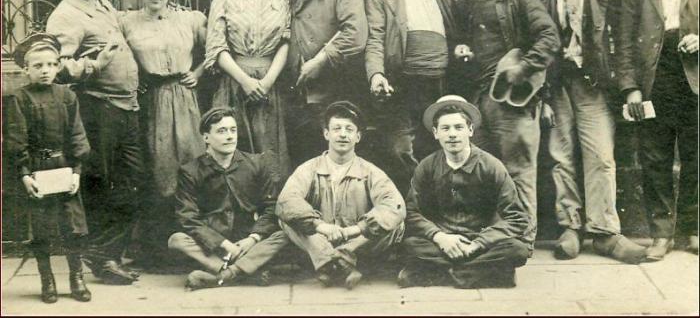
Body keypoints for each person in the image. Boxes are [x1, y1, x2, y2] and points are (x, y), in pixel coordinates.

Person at [538, 0, 648, 263]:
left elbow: (623, 40)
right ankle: (570, 227)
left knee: (601, 155)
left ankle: (603, 232)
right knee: (562, 155)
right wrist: (542, 96)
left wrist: (621, 82)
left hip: (594, 84)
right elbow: (533, 50)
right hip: (556, 86)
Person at [46, 0, 143, 284]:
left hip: (126, 107)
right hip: (98, 110)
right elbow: (56, 68)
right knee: (102, 185)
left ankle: (108, 255)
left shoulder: (101, 4)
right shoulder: (66, 15)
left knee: (133, 182)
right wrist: (95, 65)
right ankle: (102, 260)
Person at [455, 0, 560, 249]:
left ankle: (522, 240)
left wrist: (524, 68)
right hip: (477, 99)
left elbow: (549, 37)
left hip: (512, 100)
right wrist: (462, 50)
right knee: (481, 171)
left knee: (519, 171)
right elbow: (461, 41)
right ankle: (490, 238)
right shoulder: (467, 0)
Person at [618, 0, 699, 259]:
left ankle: (692, 230)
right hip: (654, 80)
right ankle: (661, 234)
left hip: (693, 80)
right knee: (655, 159)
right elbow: (623, 43)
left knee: (696, 157)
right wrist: (631, 89)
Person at [364, 0, 467, 196]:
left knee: (439, 147)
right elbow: (374, 39)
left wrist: (460, 48)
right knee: (400, 150)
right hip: (401, 84)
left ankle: (440, 209)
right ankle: (414, 208)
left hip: (440, 84)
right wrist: (376, 75)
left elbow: (457, 33)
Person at [121, 0, 207, 262]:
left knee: (190, 162)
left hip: (184, 98)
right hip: (151, 101)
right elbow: (120, 59)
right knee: (158, 169)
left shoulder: (190, 19)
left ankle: (193, 241)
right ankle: (157, 247)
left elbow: (216, 51)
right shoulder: (127, 22)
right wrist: (137, 81)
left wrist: (196, 73)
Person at [400, 95, 530, 289]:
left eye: (458, 127)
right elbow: (411, 212)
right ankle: (481, 274)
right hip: (443, 244)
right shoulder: (427, 166)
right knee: (408, 246)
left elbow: (517, 218)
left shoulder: (491, 166)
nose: (452, 134)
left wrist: (478, 243)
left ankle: (442, 275)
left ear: (470, 130)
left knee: (518, 250)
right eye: (445, 128)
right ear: (435, 133)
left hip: (480, 242)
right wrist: (440, 237)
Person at [276, 101, 405, 289]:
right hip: (320, 238)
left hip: (359, 240)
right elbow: (287, 200)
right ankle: (338, 264)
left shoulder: (370, 171)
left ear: (358, 136)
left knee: (396, 222)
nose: (343, 134)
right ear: (326, 133)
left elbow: (394, 204)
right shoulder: (309, 168)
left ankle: (336, 261)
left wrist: (357, 229)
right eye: (337, 128)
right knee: (286, 217)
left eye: (349, 129)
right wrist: (320, 226)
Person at [5, 34, 92, 303]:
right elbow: (16, 139)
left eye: (50, 65)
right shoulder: (19, 99)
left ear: (57, 67)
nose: (45, 71)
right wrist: (24, 174)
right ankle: (47, 280)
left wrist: (76, 170)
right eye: (38, 66)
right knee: (40, 229)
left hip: (64, 168)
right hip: (37, 170)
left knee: (72, 227)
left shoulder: (67, 96)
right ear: (26, 69)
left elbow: (77, 135)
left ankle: (76, 277)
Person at [168, 107, 289, 290]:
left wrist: (254, 238)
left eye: (233, 130)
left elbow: (272, 207)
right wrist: (222, 244)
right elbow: (188, 217)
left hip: (248, 240)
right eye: (222, 131)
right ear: (206, 137)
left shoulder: (255, 163)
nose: (230, 136)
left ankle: (223, 275)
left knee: (285, 234)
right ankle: (246, 270)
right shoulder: (191, 171)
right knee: (176, 240)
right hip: (213, 243)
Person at [204, 0, 291, 180]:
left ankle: (268, 209)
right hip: (234, 81)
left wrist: (266, 82)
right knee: (233, 145)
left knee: (268, 150)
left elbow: (286, 40)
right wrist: (245, 81)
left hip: (268, 82)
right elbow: (216, 45)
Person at [283, 0, 369, 169]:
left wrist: (319, 61)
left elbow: (355, 35)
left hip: (335, 93)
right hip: (298, 97)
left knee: (337, 162)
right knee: (305, 162)